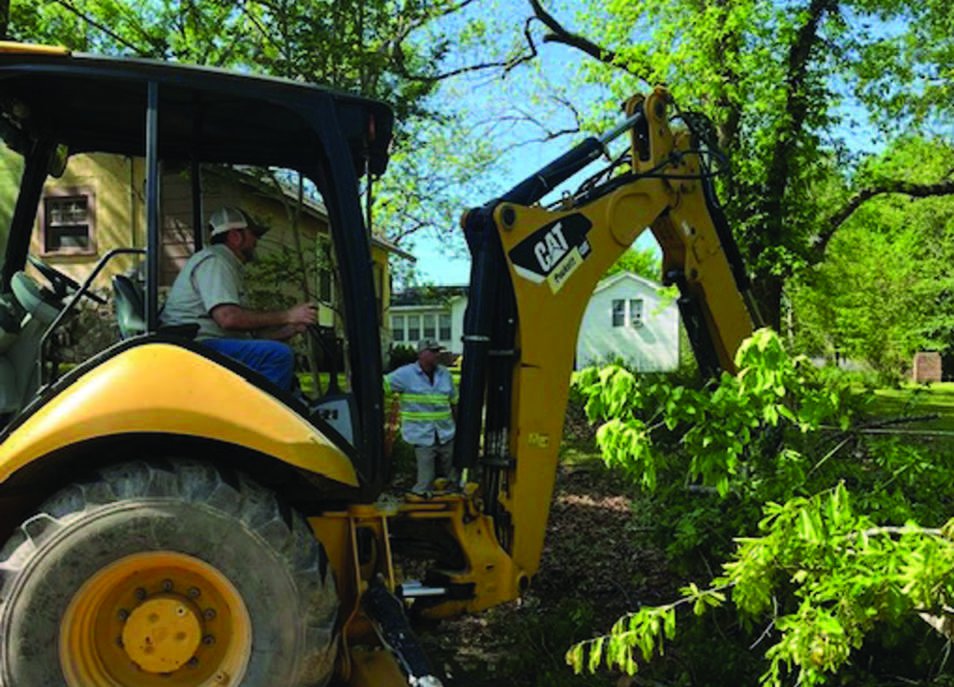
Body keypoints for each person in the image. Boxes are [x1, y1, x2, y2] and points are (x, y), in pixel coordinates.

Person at [161, 206, 316, 390]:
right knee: (278, 356)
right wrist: (288, 315)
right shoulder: (215, 261)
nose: (256, 241)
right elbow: (228, 319)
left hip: (207, 345)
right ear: (235, 236)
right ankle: (258, 418)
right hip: (197, 347)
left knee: (278, 360)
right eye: (253, 235)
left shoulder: (228, 265)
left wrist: (290, 329)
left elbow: (248, 335)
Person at [385, 339, 459, 495]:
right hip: (421, 435)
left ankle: (450, 508)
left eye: (438, 351)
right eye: (433, 351)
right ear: (421, 354)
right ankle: (417, 509)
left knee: (454, 478)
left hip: (446, 433)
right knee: (426, 480)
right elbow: (381, 386)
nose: (437, 355)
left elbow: (453, 402)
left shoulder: (444, 374)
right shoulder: (405, 374)